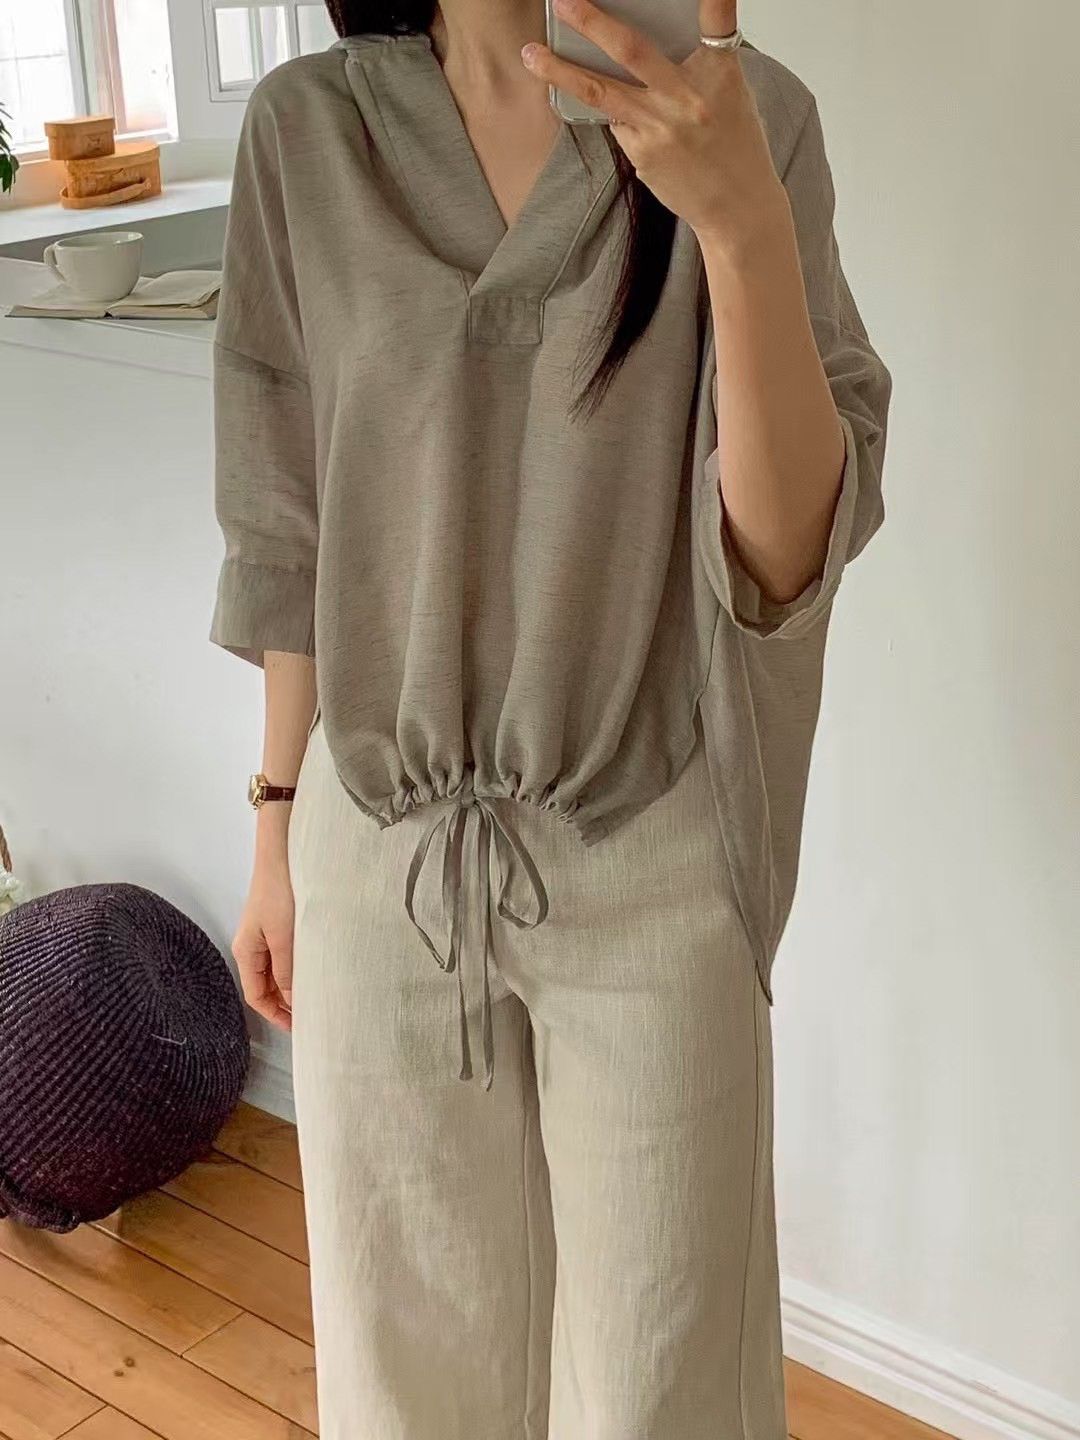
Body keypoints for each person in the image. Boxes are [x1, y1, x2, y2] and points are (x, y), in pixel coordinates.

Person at [208, 0, 892, 1434]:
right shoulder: (305, 130)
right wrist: (274, 828)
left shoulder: (741, 115)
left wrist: (739, 228)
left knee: (664, 1388)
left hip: (652, 848)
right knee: (404, 1381)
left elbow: (783, 558)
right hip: (375, 852)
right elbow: (286, 521)